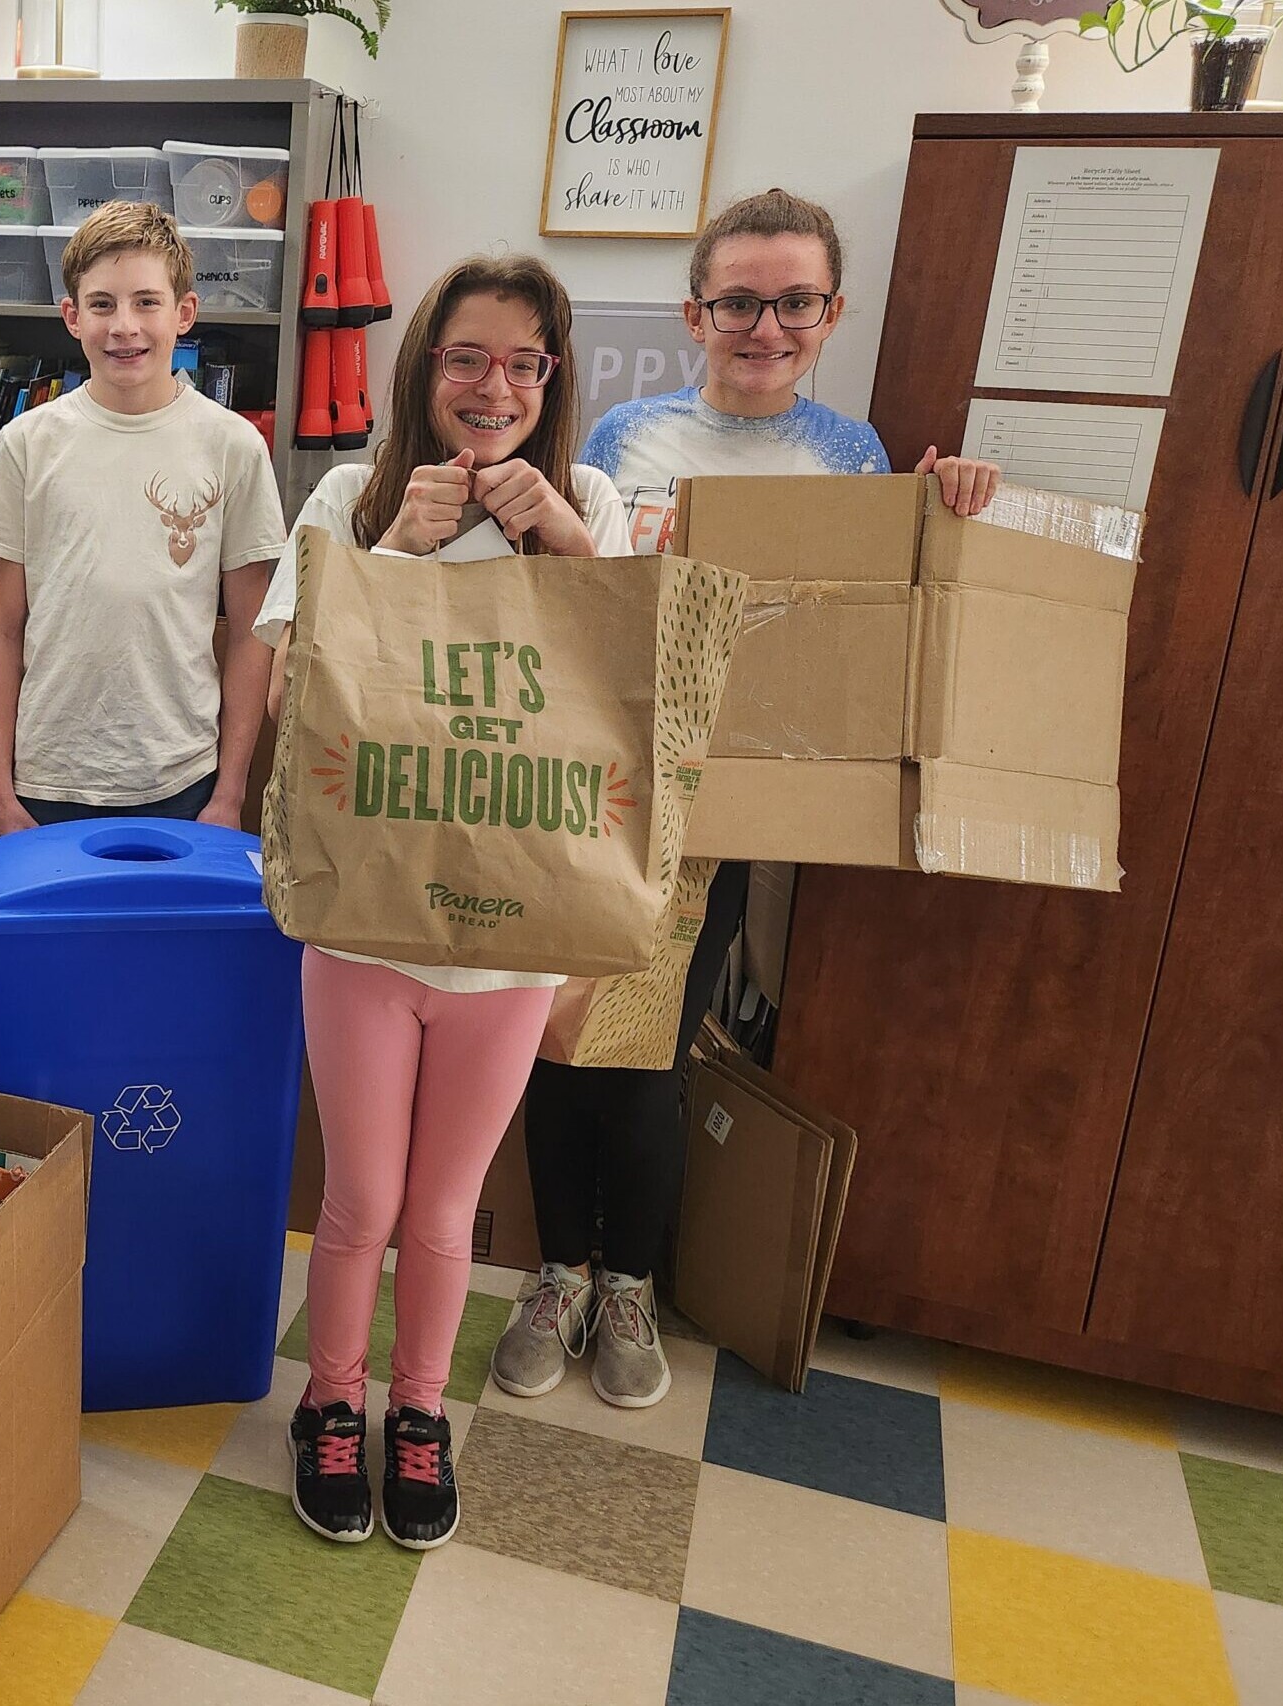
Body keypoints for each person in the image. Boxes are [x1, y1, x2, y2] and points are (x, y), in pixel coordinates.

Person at [493, 188, 1001, 1411]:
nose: (763, 326)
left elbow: (858, 630)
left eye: (794, 303)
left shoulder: (850, 456)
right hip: (591, 780)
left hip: (722, 805)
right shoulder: (618, 437)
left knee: (647, 1048)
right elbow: (566, 605)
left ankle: (628, 1281)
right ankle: (555, 1271)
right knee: (552, 1039)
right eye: (737, 301)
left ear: (832, 312)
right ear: (695, 310)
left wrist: (949, 503)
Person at [261, 255, 634, 1549]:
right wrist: (390, 551)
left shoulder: (590, 496)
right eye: (468, 356)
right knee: (359, 1196)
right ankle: (332, 1402)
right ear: (424, 366)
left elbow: (632, 688)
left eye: (526, 361)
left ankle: (419, 1411)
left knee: (442, 1207)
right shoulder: (346, 498)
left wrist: (570, 544)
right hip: (365, 924)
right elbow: (287, 688)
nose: (496, 386)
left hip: (511, 937)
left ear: (554, 377)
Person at [0, 201, 284, 833]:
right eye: (102, 304)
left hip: (183, 778)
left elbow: (251, 631)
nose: (124, 326)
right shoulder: (28, 444)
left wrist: (230, 791)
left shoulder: (233, 445)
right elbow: (0, 628)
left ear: (184, 313)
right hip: (46, 775)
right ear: (72, 317)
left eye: (146, 302)